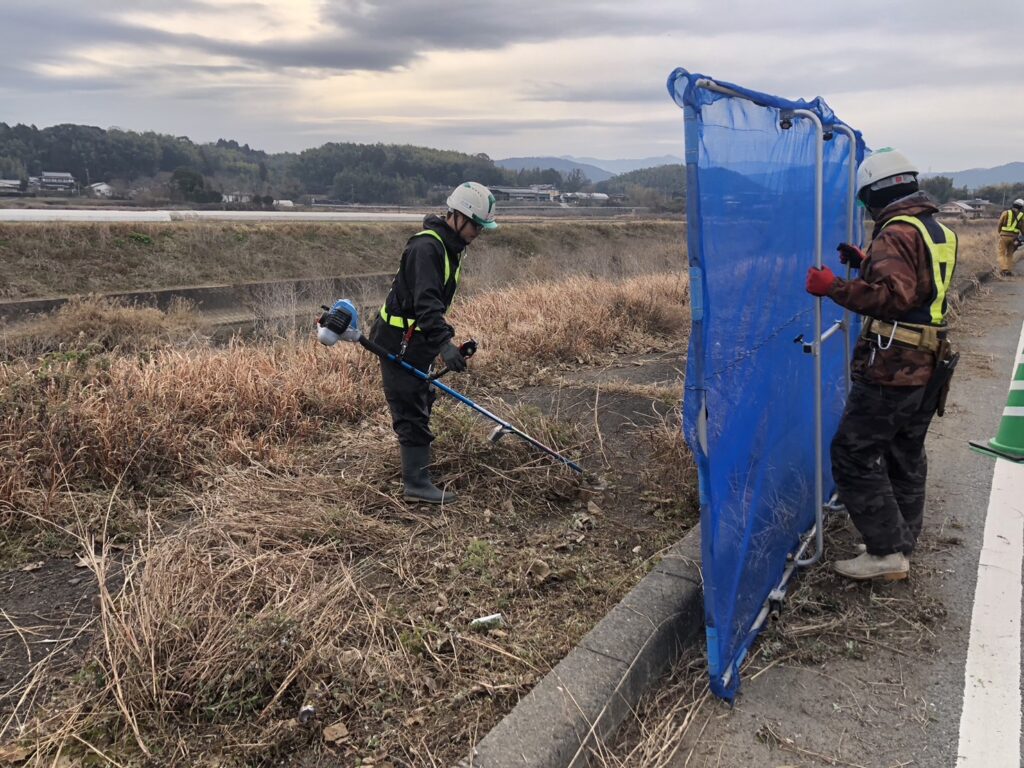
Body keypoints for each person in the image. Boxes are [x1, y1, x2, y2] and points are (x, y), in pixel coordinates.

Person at [805, 147, 957, 581]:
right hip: (932, 360)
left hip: (896, 365)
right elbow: (923, 286)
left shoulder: (894, 233)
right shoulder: (935, 229)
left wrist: (834, 286)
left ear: (873, 193)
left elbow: (893, 298)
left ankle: (886, 552)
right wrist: (866, 261)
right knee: (905, 452)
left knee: (852, 453)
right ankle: (901, 540)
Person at [369, 181, 498, 504]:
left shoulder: (448, 247)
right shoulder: (427, 249)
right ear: (459, 217)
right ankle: (416, 484)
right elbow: (426, 302)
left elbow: (431, 307)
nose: (478, 233)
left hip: (416, 340)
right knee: (409, 402)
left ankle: (419, 470)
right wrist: (443, 345)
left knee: (422, 396)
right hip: (399, 340)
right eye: (477, 226)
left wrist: (445, 343)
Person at [996, 198, 1024, 276]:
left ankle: (1004, 269)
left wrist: (999, 232)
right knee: (1010, 254)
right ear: (1021, 207)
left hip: (1004, 236)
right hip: (1014, 238)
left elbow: (1000, 223)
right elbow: (1022, 227)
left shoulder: (1006, 213)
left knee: (1001, 253)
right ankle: (1008, 269)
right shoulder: (1021, 215)